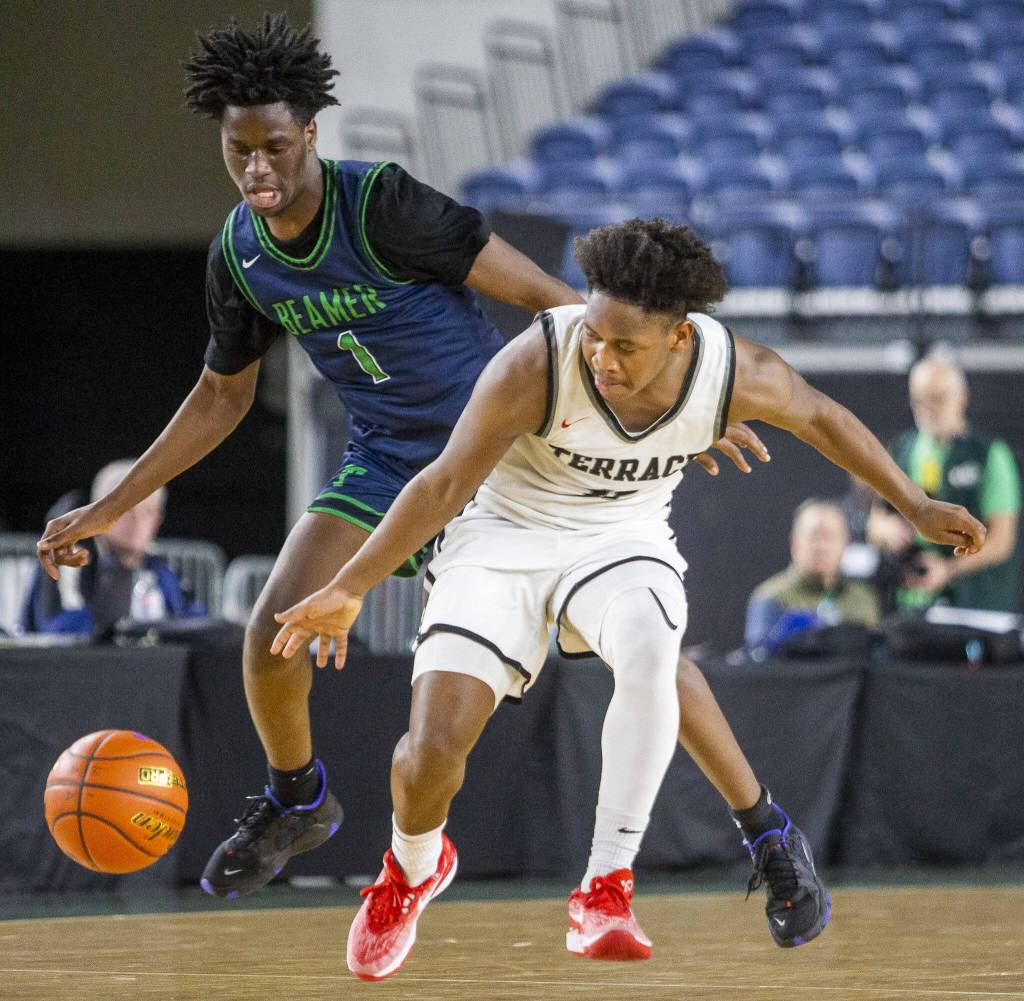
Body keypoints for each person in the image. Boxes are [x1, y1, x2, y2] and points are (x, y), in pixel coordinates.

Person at [32, 14, 767, 904]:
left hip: (499, 459)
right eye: (238, 153)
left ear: (309, 134)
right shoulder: (240, 253)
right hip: (382, 459)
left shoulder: (380, 202)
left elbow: (547, 300)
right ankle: (296, 799)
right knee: (274, 629)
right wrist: (109, 509)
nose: (256, 169)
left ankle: (765, 827)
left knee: (641, 654)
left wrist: (669, 390)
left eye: (273, 147)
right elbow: (221, 399)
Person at [270, 218, 985, 980]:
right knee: (429, 756)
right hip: (505, 531)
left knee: (651, 654)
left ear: (680, 336)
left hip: (621, 535)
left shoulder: (731, 371)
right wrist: (349, 586)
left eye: (624, 347)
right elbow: (443, 484)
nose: (602, 358)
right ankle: (411, 866)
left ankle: (606, 885)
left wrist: (914, 505)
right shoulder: (538, 362)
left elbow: (823, 417)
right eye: (594, 336)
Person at [867, 354, 1020, 612]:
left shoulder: (989, 454)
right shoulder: (903, 449)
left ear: (961, 396)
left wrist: (948, 569)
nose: (928, 408)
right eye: (919, 401)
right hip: (913, 603)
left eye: (937, 398)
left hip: (975, 603)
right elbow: (875, 522)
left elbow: (1001, 540)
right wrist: (888, 530)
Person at [23, 460, 203, 636]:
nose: (137, 521)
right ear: (96, 515)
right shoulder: (68, 560)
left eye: (147, 511)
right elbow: (61, 630)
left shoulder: (161, 568)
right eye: (126, 511)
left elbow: (196, 624)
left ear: (158, 520)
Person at [745, 498, 880, 655]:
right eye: (813, 536)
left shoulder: (864, 599)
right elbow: (756, 663)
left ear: (845, 543)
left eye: (829, 537)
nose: (821, 546)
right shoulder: (770, 597)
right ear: (794, 543)